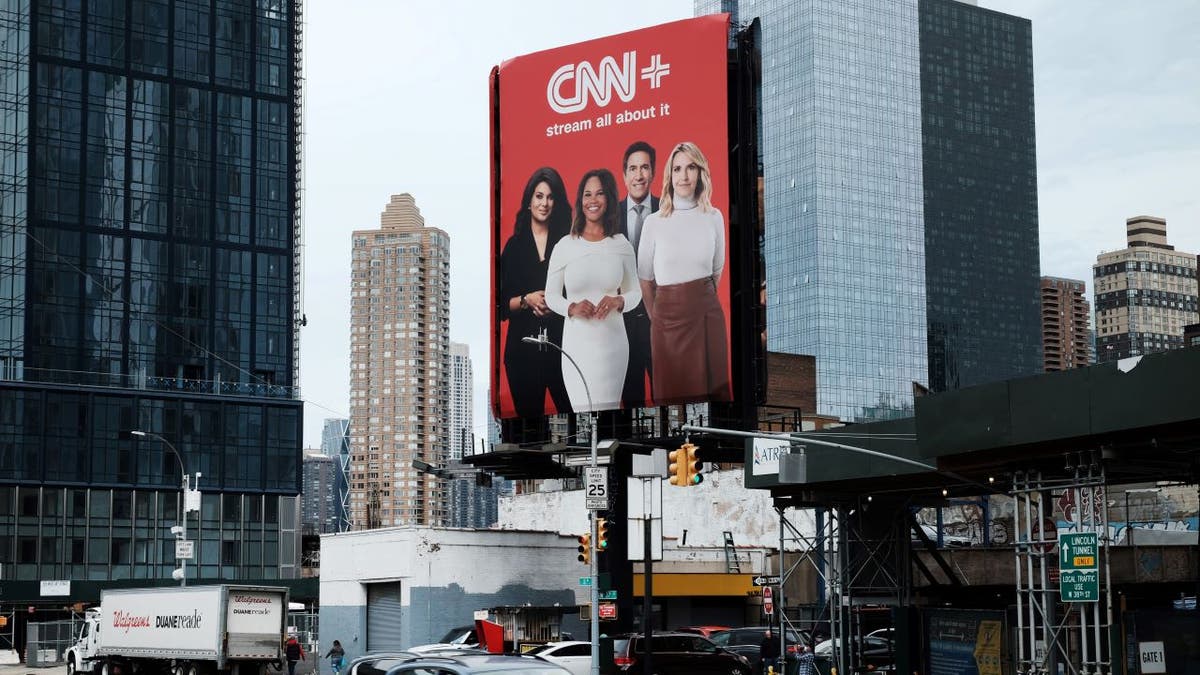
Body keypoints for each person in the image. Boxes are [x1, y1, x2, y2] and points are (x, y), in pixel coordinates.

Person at [637, 141, 730, 404]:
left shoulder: (714, 216)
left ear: (701, 172)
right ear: (669, 175)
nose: (684, 176)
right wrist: (658, 319)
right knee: (669, 399)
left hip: (706, 316)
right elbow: (645, 280)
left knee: (713, 396)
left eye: (691, 167)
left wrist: (698, 301)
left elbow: (716, 271)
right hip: (666, 320)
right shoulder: (654, 222)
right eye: (677, 169)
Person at [544, 169, 641, 412]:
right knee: (583, 413)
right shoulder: (565, 246)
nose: (592, 200)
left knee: (609, 417)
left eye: (599, 194)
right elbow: (551, 295)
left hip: (613, 346)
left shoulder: (621, 245)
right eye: (587, 194)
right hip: (577, 346)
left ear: (608, 198)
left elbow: (636, 293)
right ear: (580, 201)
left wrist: (619, 301)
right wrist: (572, 307)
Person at [499, 167, 574, 417]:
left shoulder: (568, 242)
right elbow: (499, 306)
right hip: (522, 353)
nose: (544, 203)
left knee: (580, 429)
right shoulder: (514, 246)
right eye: (539, 196)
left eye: (550, 197)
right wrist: (525, 300)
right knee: (528, 437)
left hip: (564, 351)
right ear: (529, 201)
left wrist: (557, 303)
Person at [617, 141, 659, 408]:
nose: (639, 175)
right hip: (622, 324)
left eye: (644, 167)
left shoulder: (669, 212)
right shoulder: (609, 216)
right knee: (626, 398)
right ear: (624, 175)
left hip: (660, 321)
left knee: (670, 393)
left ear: (653, 172)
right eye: (633, 168)